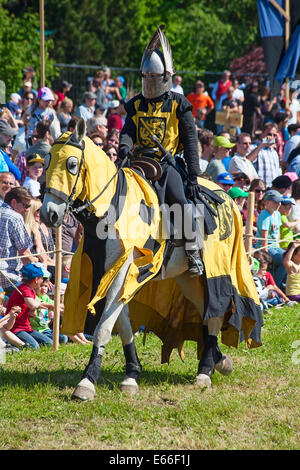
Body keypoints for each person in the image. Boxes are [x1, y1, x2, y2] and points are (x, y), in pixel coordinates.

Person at [119, 25, 205, 276]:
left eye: (155, 77)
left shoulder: (179, 104)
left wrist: (193, 176)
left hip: (166, 165)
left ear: (166, 77)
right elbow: (128, 131)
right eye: (147, 77)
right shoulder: (136, 104)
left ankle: (192, 253)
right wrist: (124, 148)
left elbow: (190, 141)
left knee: (180, 202)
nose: (151, 82)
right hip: (138, 162)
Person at [4, 263, 53, 349]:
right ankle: (11, 344)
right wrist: (38, 303)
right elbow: (32, 304)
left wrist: (32, 312)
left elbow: (31, 312)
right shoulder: (24, 288)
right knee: (34, 347)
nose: (43, 280)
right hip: (15, 328)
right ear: (36, 279)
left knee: (49, 343)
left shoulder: (32, 291)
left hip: (26, 327)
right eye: (42, 278)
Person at [0, 187, 38, 294]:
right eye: (25, 206)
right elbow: (25, 254)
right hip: (8, 278)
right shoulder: (15, 217)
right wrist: (41, 275)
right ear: (14, 202)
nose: (27, 210)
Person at [255, 189, 286, 288]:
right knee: (284, 260)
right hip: (266, 247)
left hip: (275, 246)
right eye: (276, 202)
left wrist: (280, 247)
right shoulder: (264, 216)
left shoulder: (277, 214)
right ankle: (276, 285)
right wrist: (265, 254)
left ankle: (285, 285)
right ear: (267, 202)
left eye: (280, 202)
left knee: (290, 257)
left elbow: (278, 233)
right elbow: (264, 237)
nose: (279, 204)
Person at [30, 276, 68, 344]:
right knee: (59, 339)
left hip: (46, 329)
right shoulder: (33, 297)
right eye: (41, 286)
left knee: (64, 337)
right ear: (35, 286)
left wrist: (68, 308)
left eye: (46, 286)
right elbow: (49, 305)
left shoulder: (45, 297)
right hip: (36, 330)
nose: (43, 288)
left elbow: (57, 305)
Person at [252, 123, 282, 188]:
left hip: (272, 188)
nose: (272, 137)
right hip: (258, 189)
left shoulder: (274, 153)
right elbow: (249, 161)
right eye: (269, 134)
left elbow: (278, 172)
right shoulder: (254, 147)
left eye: (274, 135)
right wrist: (262, 145)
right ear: (262, 134)